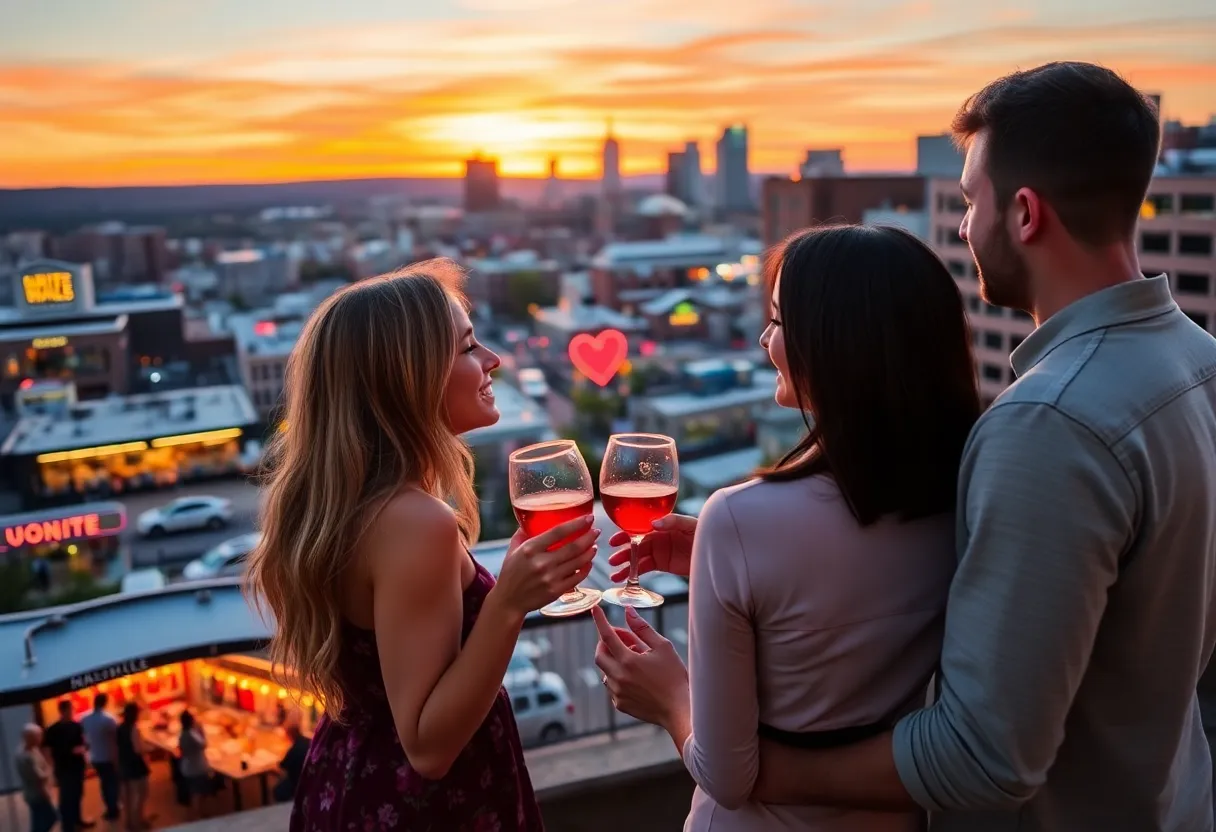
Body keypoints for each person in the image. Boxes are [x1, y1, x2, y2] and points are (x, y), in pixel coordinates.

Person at [616, 61, 1216, 831]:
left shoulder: (1049, 422)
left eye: (969, 200)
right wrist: (735, 562)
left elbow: (983, 759)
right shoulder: (1198, 362)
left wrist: (760, 765)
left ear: (1024, 213)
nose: (963, 227)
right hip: (1174, 799)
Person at [594, 224, 981, 830]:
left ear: (831, 343)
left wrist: (668, 696)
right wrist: (721, 563)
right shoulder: (966, 499)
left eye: (777, 321)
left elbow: (726, 775)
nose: (763, 339)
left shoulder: (741, 518)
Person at [245, 260, 600, 831]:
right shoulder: (415, 521)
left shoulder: (357, 506)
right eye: (468, 347)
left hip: (348, 778)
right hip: (426, 809)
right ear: (408, 377)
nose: (493, 360)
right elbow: (428, 746)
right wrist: (509, 602)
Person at [42, 699, 95, 831]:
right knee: (66, 798)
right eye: (70, 709)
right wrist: (51, 766)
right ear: (63, 710)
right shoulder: (53, 729)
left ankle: (77, 820)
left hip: (77, 765)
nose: (72, 712)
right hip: (63, 767)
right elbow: (47, 749)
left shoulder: (76, 726)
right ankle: (68, 826)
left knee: (77, 794)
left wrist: (83, 749)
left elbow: (83, 743)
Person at [80, 692, 120, 822]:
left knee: (104, 782)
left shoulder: (85, 718)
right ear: (105, 703)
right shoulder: (109, 719)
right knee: (112, 783)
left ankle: (109, 807)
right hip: (109, 755)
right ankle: (113, 808)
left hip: (95, 756)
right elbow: (116, 737)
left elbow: (82, 736)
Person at [15, 724, 58, 832]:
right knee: (49, 818)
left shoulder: (33, 749)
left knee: (38, 820)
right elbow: (38, 776)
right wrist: (50, 768)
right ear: (30, 737)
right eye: (38, 736)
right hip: (37, 793)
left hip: (39, 791)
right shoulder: (25, 756)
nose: (41, 739)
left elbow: (43, 766)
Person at [117, 703, 151, 831]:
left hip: (124, 764)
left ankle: (129, 822)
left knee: (128, 796)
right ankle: (138, 820)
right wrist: (148, 748)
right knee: (141, 793)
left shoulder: (120, 728)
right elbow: (138, 749)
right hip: (136, 765)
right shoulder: (133, 729)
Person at [178, 710, 214, 819]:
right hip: (196, 768)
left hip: (188, 767)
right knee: (198, 793)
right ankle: (198, 815)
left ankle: (197, 813)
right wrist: (201, 731)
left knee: (195, 792)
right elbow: (203, 744)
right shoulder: (191, 734)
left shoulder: (182, 734)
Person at [272, 719, 311, 803]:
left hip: (297, 783)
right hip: (310, 781)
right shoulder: (307, 741)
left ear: (289, 733)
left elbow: (281, 767)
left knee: (277, 790)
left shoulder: (293, 750)